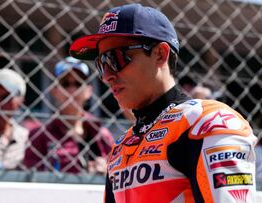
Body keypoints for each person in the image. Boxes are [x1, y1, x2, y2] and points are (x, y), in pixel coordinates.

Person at [69, 3, 257, 202]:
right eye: (101, 64)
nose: (106, 76)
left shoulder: (206, 122)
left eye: (115, 59)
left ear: (160, 54)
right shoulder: (120, 148)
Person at [23, 57, 113, 174]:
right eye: (65, 84)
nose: (72, 89)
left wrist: (107, 170)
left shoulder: (101, 133)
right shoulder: (40, 135)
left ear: (88, 91)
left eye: (78, 83)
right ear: (54, 90)